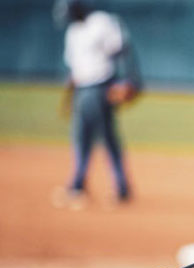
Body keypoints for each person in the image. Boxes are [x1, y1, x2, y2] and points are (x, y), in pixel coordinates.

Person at [52, 0, 141, 209]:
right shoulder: (73, 32)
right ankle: (113, 188)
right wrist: (69, 97)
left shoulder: (100, 22)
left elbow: (121, 49)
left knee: (96, 137)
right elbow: (76, 71)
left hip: (101, 87)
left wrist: (128, 80)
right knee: (90, 137)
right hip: (83, 90)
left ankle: (84, 187)